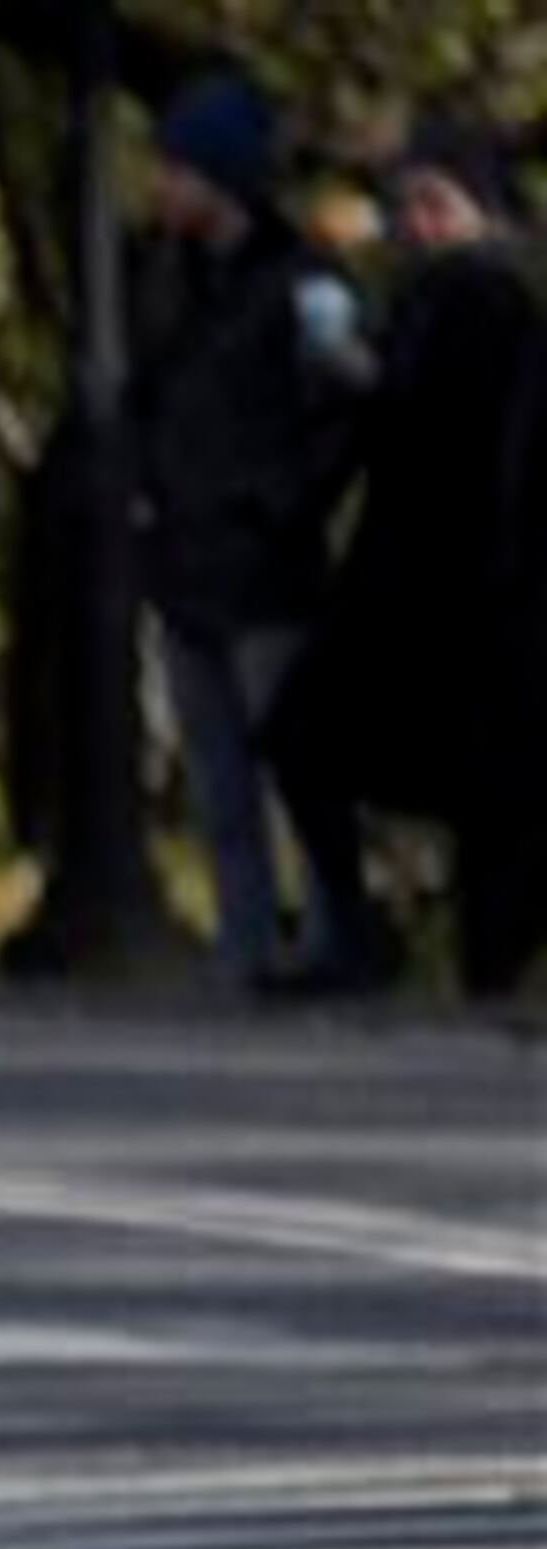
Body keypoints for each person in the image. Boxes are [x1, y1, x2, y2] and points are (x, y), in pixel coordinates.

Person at [126, 70, 386, 994]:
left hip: (269, 572)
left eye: (178, 171)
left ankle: (330, 939)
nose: (161, 189)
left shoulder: (305, 284)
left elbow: (348, 413)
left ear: (222, 177)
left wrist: (279, 506)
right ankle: (242, 950)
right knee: (217, 778)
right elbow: (150, 406)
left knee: (296, 764)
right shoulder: (164, 279)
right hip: (184, 566)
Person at [286, 117, 547, 1000]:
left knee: (487, 796)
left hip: (467, 587)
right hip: (411, 578)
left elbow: (452, 430)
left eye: (436, 203)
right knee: (315, 743)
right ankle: (377, 937)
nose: (419, 222)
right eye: (410, 204)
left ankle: (462, 961)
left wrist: (369, 379)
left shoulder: (488, 300)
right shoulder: (427, 296)